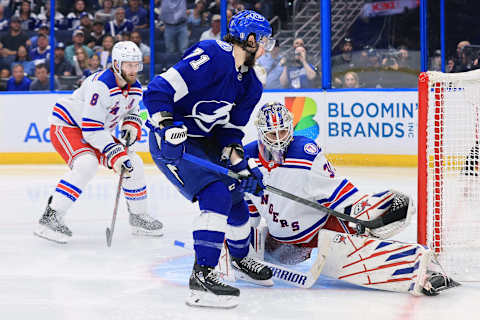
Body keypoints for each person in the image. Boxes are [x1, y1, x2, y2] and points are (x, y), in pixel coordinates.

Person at [244, 102, 460, 296]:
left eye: (283, 130)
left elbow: (339, 196)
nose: (279, 138)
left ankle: (418, 270)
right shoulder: (245, 158)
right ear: (261, 133)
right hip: (283, 244)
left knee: (357, 235)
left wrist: (365, 212)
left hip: (319, 229)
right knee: (254, 240)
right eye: (273, 134)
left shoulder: (304, 153)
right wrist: (244, 245)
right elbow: (248, 208)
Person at [142, 10, 276, 309]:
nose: (267, 46)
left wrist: (242, 167)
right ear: (250, 39)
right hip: (174, 142)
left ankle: (240, 261)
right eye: (264, 40)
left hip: (206, 143)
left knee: (237, 198)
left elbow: (229, 133)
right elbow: (158, 90)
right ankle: (202, 278)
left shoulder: (252, 82)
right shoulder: (213, 54)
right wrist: (165, 125)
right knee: (216, 194)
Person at [34, 41, 163, 244]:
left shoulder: (135, 87)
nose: (134, 70)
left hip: (95, 130)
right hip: (67, 125)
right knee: (87, 164)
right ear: (116, 64)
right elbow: (91, 130)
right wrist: (115, 153)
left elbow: (132, 109)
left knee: (133, 162)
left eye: (136, 65)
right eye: (129, 65)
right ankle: (51, 216)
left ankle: (138, 216)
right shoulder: (101, 86)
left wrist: (132, 123)